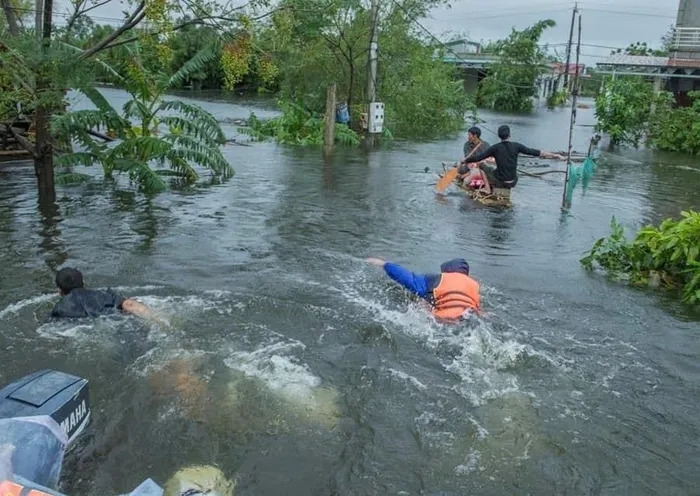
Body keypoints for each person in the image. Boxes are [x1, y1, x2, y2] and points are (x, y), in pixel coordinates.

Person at [458, 124, 564, 194]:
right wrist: (555, 155)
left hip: (500, 179)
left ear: (499, 136)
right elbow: (537, 152)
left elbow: (478, 158)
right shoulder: (517, 146)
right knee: (503, 170)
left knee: (482, 165)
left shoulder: (495, 148)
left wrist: (465, 160)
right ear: (509, 135)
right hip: (513, 181)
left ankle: (487, 188)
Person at [365, 257, 480, 321]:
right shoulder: (474, 285)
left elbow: (409, 279)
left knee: (420, 305)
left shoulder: (437, 279)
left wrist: (385, 264)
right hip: (469, 319)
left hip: (443, 321)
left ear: (448, 271)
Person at [49, 267, 168, 325]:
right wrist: (158, 319)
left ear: (59, 291)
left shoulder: (58, 309)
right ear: (84, 283)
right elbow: (129, 304)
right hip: (117, 323)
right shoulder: (103, 295)